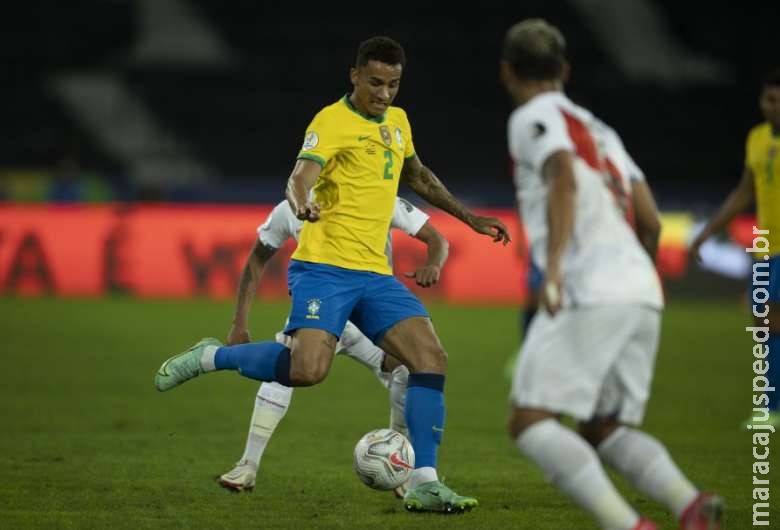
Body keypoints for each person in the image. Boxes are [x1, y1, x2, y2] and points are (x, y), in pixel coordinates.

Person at [155, 35, 510, 513]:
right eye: (376, 83)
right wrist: (303, 204)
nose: (384, 94)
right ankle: (210, 358)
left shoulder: (398, 123)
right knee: (307, 370)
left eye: (394, 85)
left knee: (431, 358)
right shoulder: (331, 120)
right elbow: (299, 176)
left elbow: (420, 177)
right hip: (324, 270)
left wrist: (470, 219)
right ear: (355, 76)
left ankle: (425, 481)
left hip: (375, 275)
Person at [501, 19, 722, 530]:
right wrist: (637, 276)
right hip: (640, 288)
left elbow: (560, 176)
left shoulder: (531, 116)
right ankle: (689, 504)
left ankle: (628, 525)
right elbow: (648, 218)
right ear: (565, 70)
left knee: (529, 420)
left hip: (590, 284)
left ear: (507, 72)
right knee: (603, 426)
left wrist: (554, 269)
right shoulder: (601, 130)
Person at [217, 197, 446, 495]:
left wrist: (433, 262)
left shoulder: (378, 195)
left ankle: (400, 468)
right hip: (317, 316)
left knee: (407, 368)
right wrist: (239, 322)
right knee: (284, 369)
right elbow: (257, 259)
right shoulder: (291, 208)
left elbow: (437, 239)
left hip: (368, 319)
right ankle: (247, 465)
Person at [690, 68, 780, 428]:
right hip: (766, 246)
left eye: (779, 101)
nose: (773, 107)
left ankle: (771, 408)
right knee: (763, 322)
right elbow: (745, 191)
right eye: (769, 99)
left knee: (771, 321)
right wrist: (708, 231)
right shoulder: (757, 139)